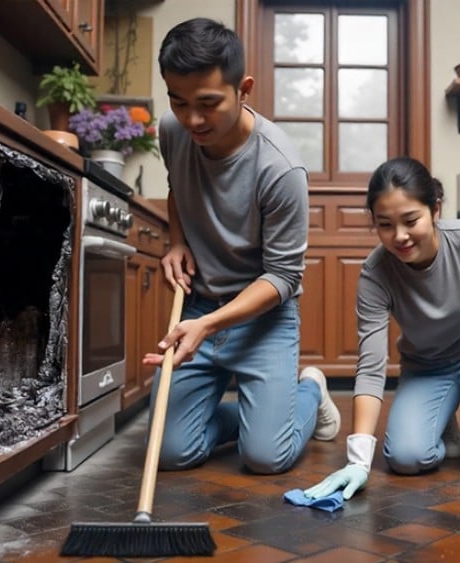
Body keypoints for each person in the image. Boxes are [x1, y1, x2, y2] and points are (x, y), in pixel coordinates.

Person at [141, 17, 340, 474]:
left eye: (208, 104)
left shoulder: (280, 168)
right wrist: (176, 242)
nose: (192, 119)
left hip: (263, 320)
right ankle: (257, 420)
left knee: (266, 458)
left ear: (243, 89)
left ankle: (310, 391)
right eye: (178, 101)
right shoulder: (172, 130)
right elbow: (177, 187)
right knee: (170, 453)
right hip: (199, 306)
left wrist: (209, 325)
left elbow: (284, 277)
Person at [304, 156, 460, 500]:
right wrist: (358, 461)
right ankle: (442, 419)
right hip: (428, 369)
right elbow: (370, 368)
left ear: (435, 209)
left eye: (411, 220)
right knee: (406, 458)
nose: (400, 236)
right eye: (385, 224)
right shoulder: (375, 275)